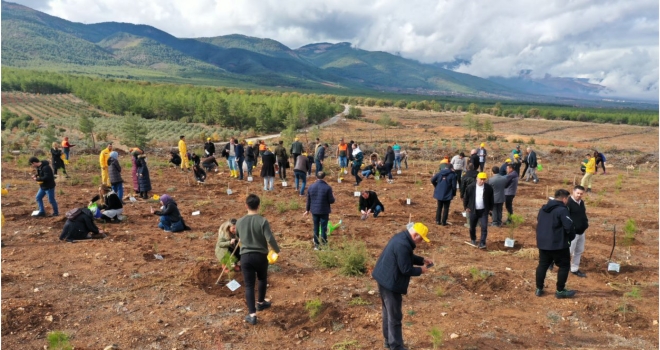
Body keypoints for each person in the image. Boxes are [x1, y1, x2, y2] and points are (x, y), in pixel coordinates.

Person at [371, 223, 432, 350]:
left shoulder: (402, 238)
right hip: (390, 284)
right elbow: (405, 269)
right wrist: (421, 270)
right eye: (421, 239)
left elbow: (406, 257)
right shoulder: (403, 245)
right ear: (415, 235)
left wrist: (422, 260)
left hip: (384, 279)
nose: (421, 242)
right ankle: (396, 346)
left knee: (388, 313)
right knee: (394, 317)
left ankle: (389, 341)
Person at [237, 194, 281, 325]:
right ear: (259, 206)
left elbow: (239, 237)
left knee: (249, 285)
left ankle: (252, 314)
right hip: (261, 256)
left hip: (245, 257)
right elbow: (269, 238)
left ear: (246, 206)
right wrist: (277, 250)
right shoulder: (262, 221)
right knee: (262, 278)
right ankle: (260, 303)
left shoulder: (239, 221)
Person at [534, 189, 576, 298]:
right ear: (564, 199)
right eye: (568, 199)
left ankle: (539, 288)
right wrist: (570, 238)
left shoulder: (543, 208)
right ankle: (560, 291)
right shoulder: (562, 210)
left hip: (543, 243)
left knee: (543, 265)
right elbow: (569, 226)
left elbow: (539, 221)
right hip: (558, 244)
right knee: (564, 266)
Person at [304, 171, 335, 250]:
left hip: (314, 211)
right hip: (324, 211)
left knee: (316, 227)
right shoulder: (327, 188)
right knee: (324, 228)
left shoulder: (311, 187)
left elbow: (309, 200)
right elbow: (331, 201)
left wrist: (307, 210)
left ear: (316, 177)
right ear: (324, 177)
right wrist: (333, 197)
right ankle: (324, 245)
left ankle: (316, 246)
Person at [463, 172, 494, 249]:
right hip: (473, 210)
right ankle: (473, 239)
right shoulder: (470, 187)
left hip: (483, 211)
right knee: (472, 227)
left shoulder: (488, 188)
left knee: (484, 227)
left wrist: (490, 208)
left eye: (484, 179)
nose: (482, 181)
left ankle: (482, 242)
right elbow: (466, 198)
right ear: (477, 178)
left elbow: (491, 199)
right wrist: (466, 207)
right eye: (481, 179)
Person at [567, 186, 588, 278]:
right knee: (568, 251)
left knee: (579, 251)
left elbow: (583, 214)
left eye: (581, 194)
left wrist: (585, 224)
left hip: (581, 232)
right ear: (573, 192)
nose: (579, 195)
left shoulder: (581, 202)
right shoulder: (568, 203)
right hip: (572, 233)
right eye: (577, 193)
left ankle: (574, 269)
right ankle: (557, 265)